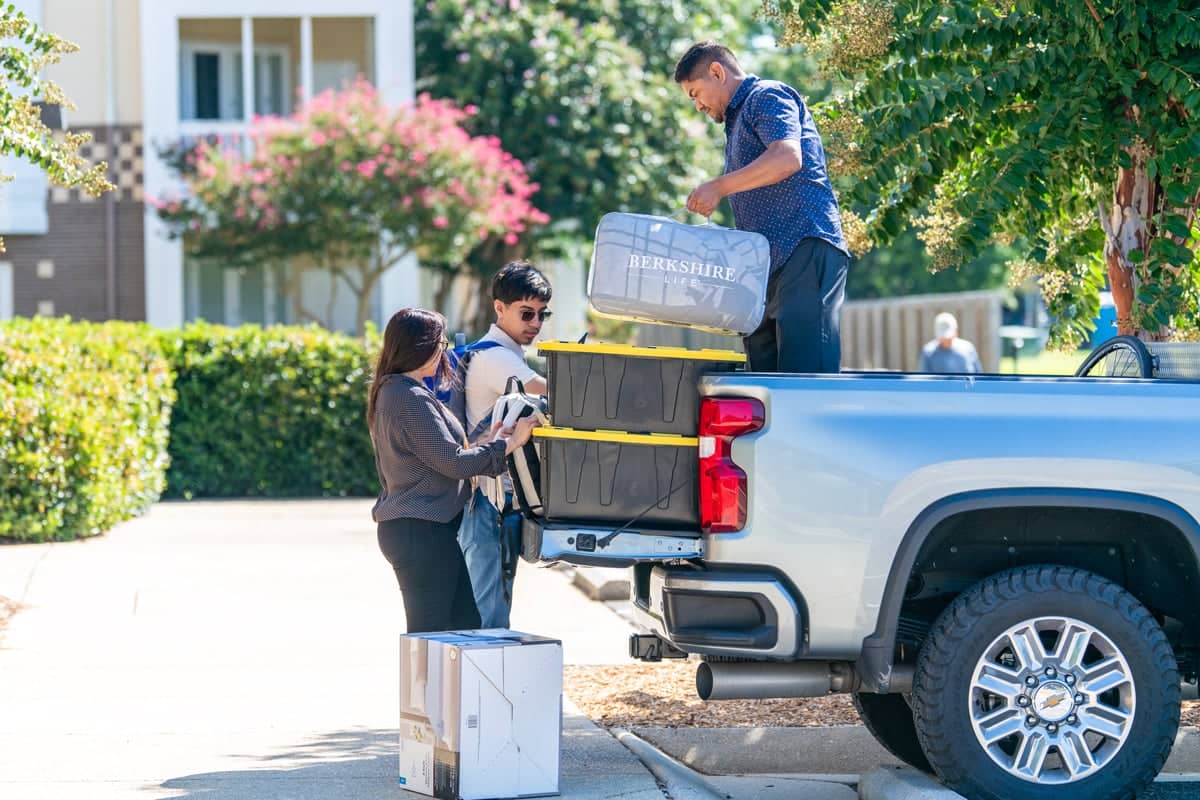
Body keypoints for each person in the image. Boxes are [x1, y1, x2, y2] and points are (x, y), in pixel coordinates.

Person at [675, 41, 850, 374]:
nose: (697, 105)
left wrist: (718, 186)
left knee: (804, 378)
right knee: (764, 380)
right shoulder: (735, 122)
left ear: (717, 71)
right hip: (765, 268)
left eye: (696, 93)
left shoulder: (766, 96)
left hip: (804, 246)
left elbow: (787, 157)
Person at [367, 307, 539, 634]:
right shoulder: (408, 397)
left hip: (427, 529)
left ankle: (447, 688)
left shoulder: (401, 391)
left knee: (463, 626)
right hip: (420, 531)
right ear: (419, 346)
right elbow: (455, 463)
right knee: (431, 636)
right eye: (440, 343)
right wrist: (510, 444)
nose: (444, 351)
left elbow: (444, 456)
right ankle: (424, 688)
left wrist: (492, 440)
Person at [457, 261, 552, 629]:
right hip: (486, 500)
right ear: (500, 308)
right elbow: (557, 393)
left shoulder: (506, 354)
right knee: (488, 614)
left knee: (494, 605)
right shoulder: (496, 357)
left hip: (493, 498)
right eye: (526, 313)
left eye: (543, 314)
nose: (536, 323)